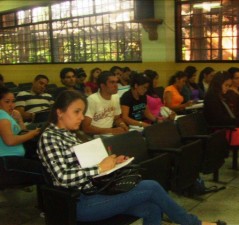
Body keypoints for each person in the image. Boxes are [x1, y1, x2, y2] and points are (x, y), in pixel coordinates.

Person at [37, 90, 226, 225]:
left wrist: (112, 163)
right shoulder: (49, 138)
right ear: (59, 112)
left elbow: (84, 165)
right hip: (80, 202)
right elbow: (62, 177)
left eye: (81, 112)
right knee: (151, 187)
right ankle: (193, 224)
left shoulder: (71, 134)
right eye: (76, 112)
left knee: (153, 208)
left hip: (98, 191)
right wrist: (100, 168)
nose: (81, 117)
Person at [0, 86, 43, 188]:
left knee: (43, 168)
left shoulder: (7, 116)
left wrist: (19, 120)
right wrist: (31, 134)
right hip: (6, 161)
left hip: (12, 159)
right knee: (44, 172)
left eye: (13, 101)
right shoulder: (2, 116)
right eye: (7, 102)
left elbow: (21, 132)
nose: (11, 105)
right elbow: (10, 141)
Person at [82, 71, 128, 136]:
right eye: (112, 82)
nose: (116, 86)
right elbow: (86, 128)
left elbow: (117, 118)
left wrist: (122, 125)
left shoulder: (116, 97)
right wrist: (111, 130)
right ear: (102, 86)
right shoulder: (92, 99)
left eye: (116, 82)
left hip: (109, 134)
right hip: (94, 136)